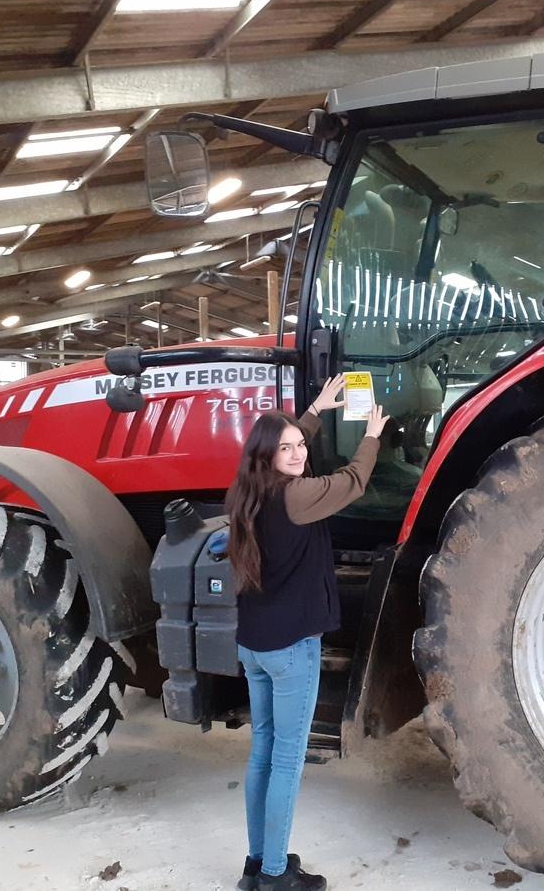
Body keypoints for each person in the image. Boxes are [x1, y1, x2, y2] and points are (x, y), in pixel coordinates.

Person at [227, 374, 390, 891]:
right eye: (289, 449)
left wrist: (315, 410)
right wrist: (372, 434)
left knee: (262, 752)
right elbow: (354, 481)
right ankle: (276, 875)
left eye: (301, 445)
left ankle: (258, 863)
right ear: (268, 456)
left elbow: (287, 443)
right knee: (287, 762)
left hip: (253, 642)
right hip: (291, 646)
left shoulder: (244, 491)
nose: (298, 453)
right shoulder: (299, 498)